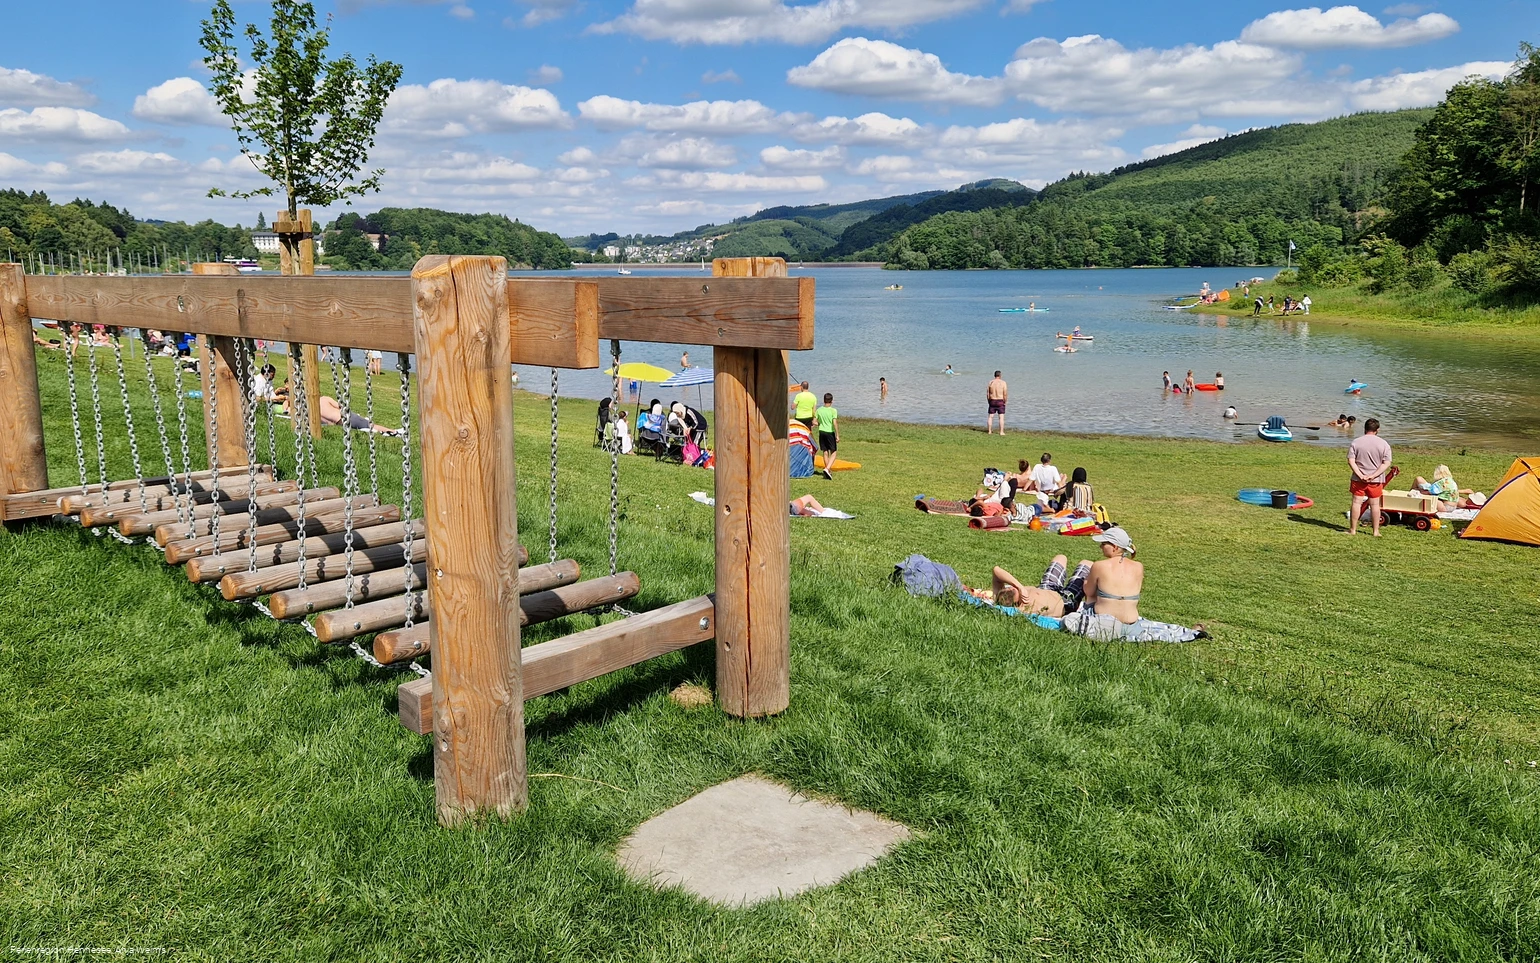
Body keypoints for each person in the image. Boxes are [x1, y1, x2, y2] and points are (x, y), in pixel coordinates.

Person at [1060, 527, 1206, 642]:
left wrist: (1086, 581)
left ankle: (1108, 629)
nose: (1100, 546)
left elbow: (1089, 592)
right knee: (1157, 627)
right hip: (1132, 622)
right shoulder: (1138, 566)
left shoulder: (1100, 565)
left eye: (1104, 544)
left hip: (1103, 619)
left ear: (1115, 547)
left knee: (1075, 614)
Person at [990, 555, 1092, 618]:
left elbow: (996, 570)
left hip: (1046, 587)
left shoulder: (998, 595)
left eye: (1009, 587)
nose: (1010, 587)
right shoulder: (1023, 609)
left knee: (1061, 557)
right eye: (1012, 589)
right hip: (1066, 600)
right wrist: (1020, 588)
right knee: (1088, 564)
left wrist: (1020, 587)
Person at [1348, 417, 1393, 536]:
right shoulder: (1384, 444)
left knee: (1356, 503)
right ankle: (1376, 531)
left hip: (1358, 479)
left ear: (1365, 428)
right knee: (1375, 505)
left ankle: (1352, 530)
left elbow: (1351, 461)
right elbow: (1386, 463)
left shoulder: (1356, 442)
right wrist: (1373, 475)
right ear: (1377, 430)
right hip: (1376, 480)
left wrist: (1360, 475)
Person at [317, 395, 401, 435]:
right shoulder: (324, 399)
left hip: (339, 423)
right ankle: (393, 431)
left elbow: (327, 423)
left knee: (366, 426)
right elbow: (341, 407)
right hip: (346, 417)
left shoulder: (312, 412)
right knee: (371, 425)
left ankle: (387, 432)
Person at [815, 392, 839, 480]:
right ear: (831, 401)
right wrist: (837, 435)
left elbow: (814, 421)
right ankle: (827, 468)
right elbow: (834, 423)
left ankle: (828, 471)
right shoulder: (833, 410)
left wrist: (820, 424)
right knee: (834, 452)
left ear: (824, 400)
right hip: (830, 432)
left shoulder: (819, 410)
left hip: (821, 431)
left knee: (825, 452)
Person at [986, 370, 1007, 435]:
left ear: (994, 375)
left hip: (992, 400)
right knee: (1001, 417)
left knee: (990, 416)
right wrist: (1005, 401)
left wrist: (989, 401)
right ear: (1000, 375)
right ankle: (1001, 432)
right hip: (1000, 400)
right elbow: (1005, 394)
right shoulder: (1003, 383)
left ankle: (989, 431)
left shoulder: (991, 382)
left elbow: (988, 393)